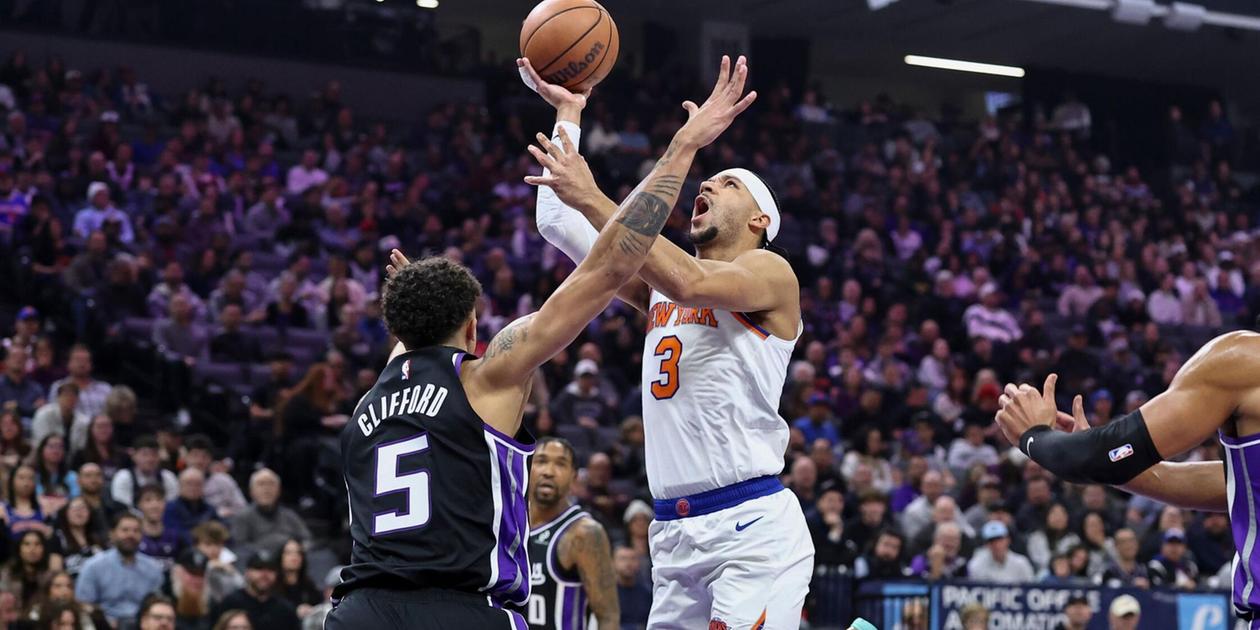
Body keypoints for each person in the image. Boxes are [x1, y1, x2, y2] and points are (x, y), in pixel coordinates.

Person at [326, 55, 746, 630]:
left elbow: (409, 335)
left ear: (394, 328)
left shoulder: (367, 405)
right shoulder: (486, 375)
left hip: (359, 613)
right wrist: (682, 147)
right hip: (459, 608)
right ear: (473, 329)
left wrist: (567, 113)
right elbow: (608, 267)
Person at [523, 54, 810, 629]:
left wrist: (605, 189)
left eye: (728, 185)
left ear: (759, 221)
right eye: (708, 179)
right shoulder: (658, 288)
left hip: (750, 529)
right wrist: (569, 114)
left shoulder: (771, 273)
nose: (707, 183)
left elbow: (690, 280)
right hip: (674, 532)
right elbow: (556, 221)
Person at [992, 333, 1260, 617]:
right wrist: (1120, 469)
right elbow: (1240, 486)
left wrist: (1034, 436)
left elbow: (1090, 456)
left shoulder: (1243, 361)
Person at [516, 437, 617, 629]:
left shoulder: (584, 533)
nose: (549, 472)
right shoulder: (507, 523)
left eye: (560, 464)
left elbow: (608, 617)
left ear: (574, 477)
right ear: (528, 467)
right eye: (541, 461)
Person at [75, 514, 165, 626]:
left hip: (142, 624)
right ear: (112, 534)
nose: (130, 535)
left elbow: (156, 602)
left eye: (136, 531)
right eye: (125, 530)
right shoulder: (94, 566)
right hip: (105, 623)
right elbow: (83, 602)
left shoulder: (153, 567)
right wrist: (101, 620)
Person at [229, 469, 310, 557]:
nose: (267, 489)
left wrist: (297, 551)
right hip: (257, 564)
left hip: (287, 563)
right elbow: (239, 546)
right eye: (261, 484)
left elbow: (307, 539)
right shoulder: (242, 517)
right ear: (251, 491)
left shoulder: (289, 515)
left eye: (271, 484)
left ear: (279, 491)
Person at [212, 550, 298, 630]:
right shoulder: (230, 603)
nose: (265, 574)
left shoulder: (285, 609)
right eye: (259, 568)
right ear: (247, 572)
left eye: (270, 569)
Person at [111, 436, 179, 509]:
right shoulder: (123, 477)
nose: (150, 459)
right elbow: (123, 507)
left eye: (154, 455)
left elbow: (172, 505)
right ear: (134, 456)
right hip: (133, 518)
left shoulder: (168, 477)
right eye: (144, 454)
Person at [49, 345, 112, 420]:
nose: (82, 364)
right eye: (77, 360)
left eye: (85, 360)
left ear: (91, 365)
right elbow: (53, 416)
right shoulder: (58, 387)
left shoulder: (105, 389)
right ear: (68, 364)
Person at [967, 521, 1034, 583]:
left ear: (1008, 540)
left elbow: (1030, 589)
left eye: (1000, 539)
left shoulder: (1021, 564)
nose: (997, 545)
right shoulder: (976, 565)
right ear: (986, 544)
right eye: (991, 541)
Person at [276, 540, 321, 620]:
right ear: (280, 557)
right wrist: (294, 611)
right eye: (288, 553)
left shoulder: (309, 586)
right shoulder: (272, 585)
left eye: (298, 553)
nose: (294, 556)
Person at [613, 545, 651, 628]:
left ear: (639, 563)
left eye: (633, 559)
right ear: (613, 562)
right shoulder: (607, 594)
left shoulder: (647, 593)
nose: (628, 563)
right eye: (623, 559)